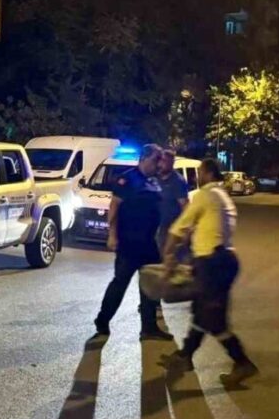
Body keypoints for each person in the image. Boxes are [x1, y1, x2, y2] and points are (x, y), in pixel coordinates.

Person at [160, 159, 259, 388]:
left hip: (212, 264)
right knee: (202, 311)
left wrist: (168, 255)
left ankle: (242, 362)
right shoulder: (223, 197)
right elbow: (205, 226)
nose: (199, 176)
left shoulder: (205, 195)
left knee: (213, 319)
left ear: (206, 173)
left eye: (200, 172)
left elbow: (179, 227)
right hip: (223, 261)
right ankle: (185, 356)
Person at [93, 144, 173, 341]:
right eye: (156, 159)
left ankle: (149, 327)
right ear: (144, 158)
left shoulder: (154, 181)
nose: (159, 164)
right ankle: (102, 320)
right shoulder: (127, 179)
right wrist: (112, 235)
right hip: (129, 242)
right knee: (120, 284)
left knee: (150, 286)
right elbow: (114, 206)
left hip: (149, 242)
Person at [156, 149, 190, 255]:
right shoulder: (155, 177)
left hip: (169, 230)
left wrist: (185, 230)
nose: (162, 164)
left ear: (172, 163)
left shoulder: (178, 181)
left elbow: (185, 206)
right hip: (155, 226)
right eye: (161, 160)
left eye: (165, 161)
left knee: (167, 257)